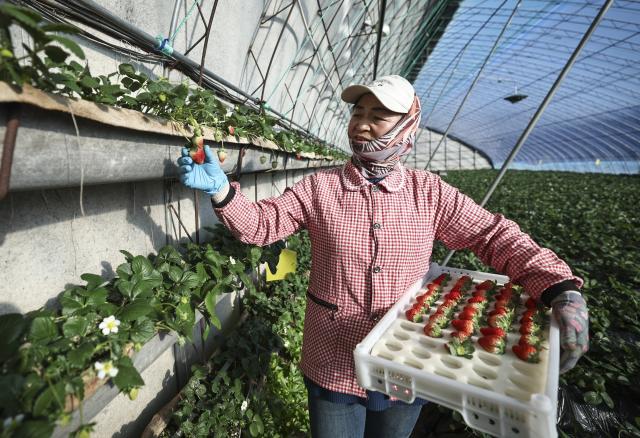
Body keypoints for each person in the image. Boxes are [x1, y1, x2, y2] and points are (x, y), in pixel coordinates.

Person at [177, 75, 589, 438]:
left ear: (408, 124)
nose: (362, 122)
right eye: (358, 112)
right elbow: (262, 225)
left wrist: (559, 288)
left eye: (379, 114)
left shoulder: (428, 193)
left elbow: (492, 235)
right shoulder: (321, 188)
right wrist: (222, 191)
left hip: (406, 362)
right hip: (333, 357)